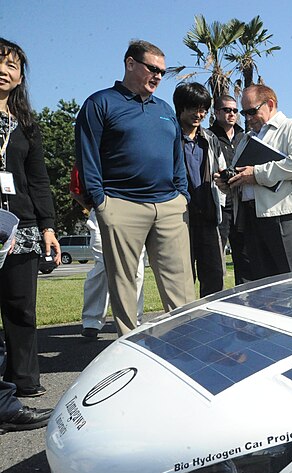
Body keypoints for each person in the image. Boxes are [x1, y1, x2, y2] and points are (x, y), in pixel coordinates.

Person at [75, 39, 195, 336]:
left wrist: (182, 195)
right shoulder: (100, 103)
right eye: (152, 68)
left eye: (162, 71)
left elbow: (176, 156)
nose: (157, 75)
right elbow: (87, 157)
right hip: (121, 205)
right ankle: (130, 341)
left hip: (169, 205)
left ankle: (187, 343)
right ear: (130, 64)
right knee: (125, 282)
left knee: (180, 281)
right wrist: (101, 203)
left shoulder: (165, 109)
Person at [0, 38, 61, 397]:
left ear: (21, 77)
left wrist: (47, 227)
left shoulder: (26, 124)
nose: (3, 71)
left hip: (19, 227)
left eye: (11, 65)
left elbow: (39, 180)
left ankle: (24, 383)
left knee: (22, 309)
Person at [216, 84, 292, 281]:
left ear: (270, 104)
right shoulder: (246, 139)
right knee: (264, 288)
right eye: (244, 113)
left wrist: (257, 173)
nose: (248, 118)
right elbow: (243, 173)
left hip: (286, 217)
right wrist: (230, 181)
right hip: (252, 218)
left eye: (252, 111)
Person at [68, 166, 145, 337]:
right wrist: (96, 206)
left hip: (137, 210)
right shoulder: (93, 148)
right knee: (103, 267)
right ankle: (92, 321)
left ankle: (135, 320)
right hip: (103, 210)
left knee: (136, 269)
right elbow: (76, 190)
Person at [173, 82, 226, 297]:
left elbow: (221, 169)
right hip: (179, 217)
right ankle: (184, 321)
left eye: (203, 109)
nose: (199, 114)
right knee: (182, 277)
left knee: (214, 274)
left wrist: (222, 183)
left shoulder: (210, 139)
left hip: (208, 214)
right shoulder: (170, 136)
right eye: (193, 108)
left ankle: (212, 320)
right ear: (181, 108)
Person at [208, 95, 249, 284]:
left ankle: (246, 304)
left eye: (235, 110)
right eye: (227, 110)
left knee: (245, 258)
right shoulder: (208, 136)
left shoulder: (245, 136)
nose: (232, 114)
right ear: (216, 112)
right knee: (216, 261)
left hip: (243, 204)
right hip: (219, 205)